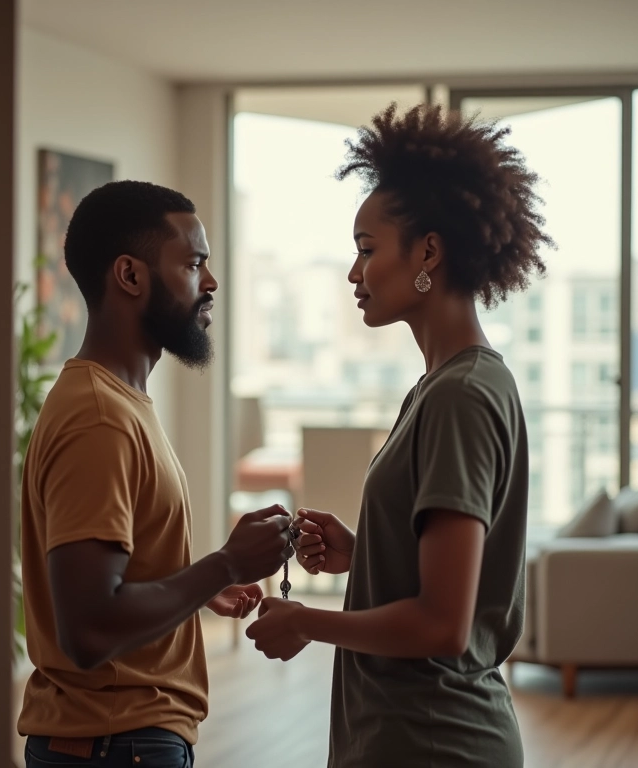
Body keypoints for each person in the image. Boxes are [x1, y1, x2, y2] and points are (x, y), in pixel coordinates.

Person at [246, 103, 553, 767]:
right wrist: (364, 554)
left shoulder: (461, 397)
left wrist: (305, 621)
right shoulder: (446, 387)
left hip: (433, 742)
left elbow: (444, 624)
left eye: (365, 250)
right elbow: (448, 580)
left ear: (428, 253)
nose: (354, 274)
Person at [18, 180, 294, 768]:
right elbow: (89, 630)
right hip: (115, 745)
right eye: (194, 263)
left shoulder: (119, 402)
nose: (211, 283)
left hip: (122, 740)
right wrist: (226, 563)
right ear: (130, 275)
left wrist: (195, 583)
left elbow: (114, 582)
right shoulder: (100, 418)